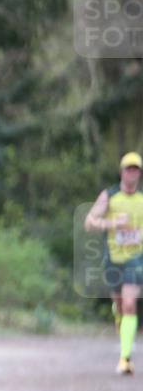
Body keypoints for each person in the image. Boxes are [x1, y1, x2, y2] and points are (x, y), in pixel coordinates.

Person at [84, 151, 143, 375]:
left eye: (136, 169)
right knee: (120, 305)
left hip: (135, 260)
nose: (132, 173)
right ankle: (119, 318)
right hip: (112, 259)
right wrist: (112, 223)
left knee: (129, 303)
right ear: (121, 172)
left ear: (139, 173)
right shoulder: (109, 196)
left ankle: (125, 359)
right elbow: (89, 223)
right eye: (129, 168)